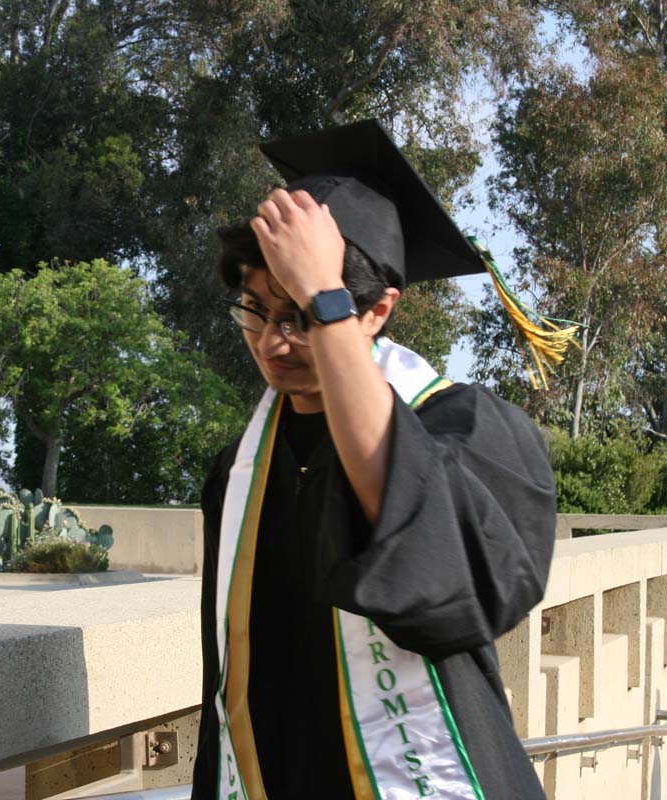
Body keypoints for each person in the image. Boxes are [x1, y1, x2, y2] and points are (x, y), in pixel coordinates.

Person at [191, 120, 559, 800]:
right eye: (256, 308)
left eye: (299, 315)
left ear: (379, 310)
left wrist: (324, 298)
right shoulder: (239, 468)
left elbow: (443, 585)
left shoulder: (468, 431)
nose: (273, 341)